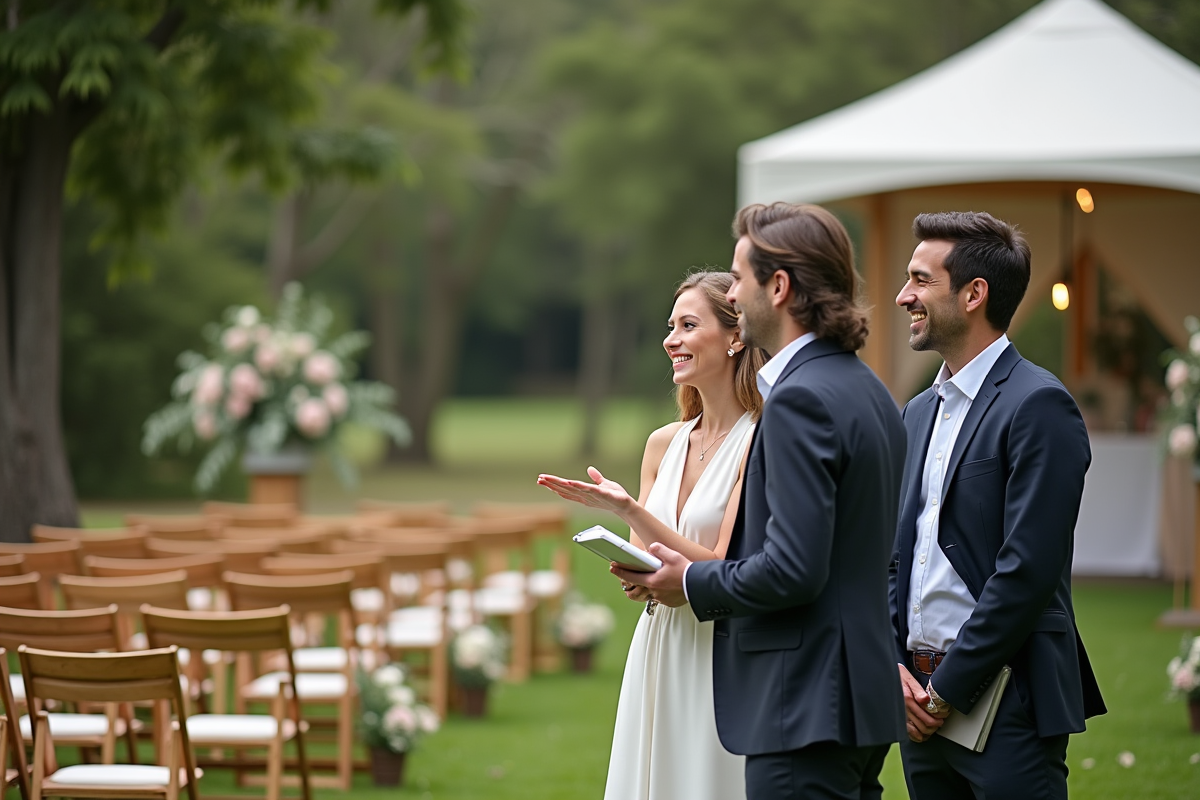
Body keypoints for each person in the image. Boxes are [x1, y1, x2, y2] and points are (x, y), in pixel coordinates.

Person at [616, 202, 907, 800]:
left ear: (778, 287)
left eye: (741, 279)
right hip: (857, 700)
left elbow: (793, 570)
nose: (736, 294)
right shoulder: (869, 390)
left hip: (801, 702)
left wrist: (690, 585)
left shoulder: (799, 400)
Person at [890, 211, 1106, 800]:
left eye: (920, 280)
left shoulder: (1040, 405)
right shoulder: (917, 413)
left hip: (1011, 697)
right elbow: (896, 557)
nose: (902, 295)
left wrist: (950, 688)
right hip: (916, 699)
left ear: (974, 294)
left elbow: (1026, 571)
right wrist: (899, 672)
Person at [538, 270, 768, 800]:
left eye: (689, 325)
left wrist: (628, 510)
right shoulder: (663, 444)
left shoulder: (761, 438)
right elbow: (650, 561)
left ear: (736, 337)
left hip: (719, 648)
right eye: (671, 326)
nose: (671, 339)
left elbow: (716, 560)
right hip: (658, 643)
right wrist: (632, 565)